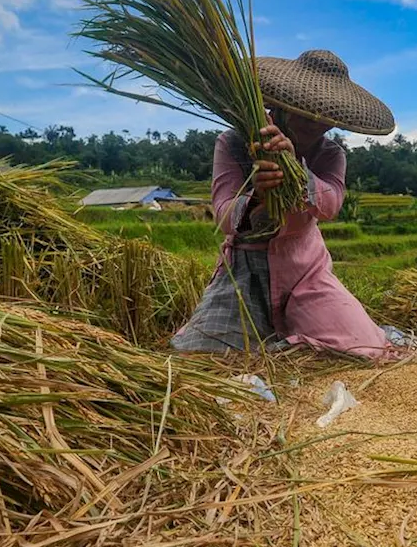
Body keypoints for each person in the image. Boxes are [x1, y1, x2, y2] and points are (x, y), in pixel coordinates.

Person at [171, 50, 398, 359]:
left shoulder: (331, 154)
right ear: (280, 104)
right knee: (203, 354)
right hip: (245, 271)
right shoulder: (234, 143)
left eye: (324, 115)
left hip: (305, 270)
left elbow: (330, 205)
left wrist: (296, 170)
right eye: (305, 111)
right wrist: (258, 198)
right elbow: (224, 215)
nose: (315, 122)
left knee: (364, 347)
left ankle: (291, 341)